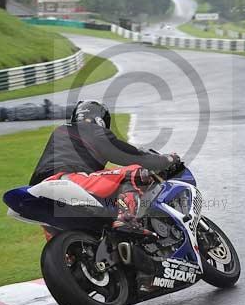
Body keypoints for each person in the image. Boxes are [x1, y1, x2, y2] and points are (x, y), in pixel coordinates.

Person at [29, 100, 179, 235]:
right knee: (134, 172)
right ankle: (126, 219)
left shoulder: (60, 131)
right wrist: (166, 159)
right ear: (100, 120)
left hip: (40, 190)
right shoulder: (91, 130)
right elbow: (131, 155)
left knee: (107, 176)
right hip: (68, 179)